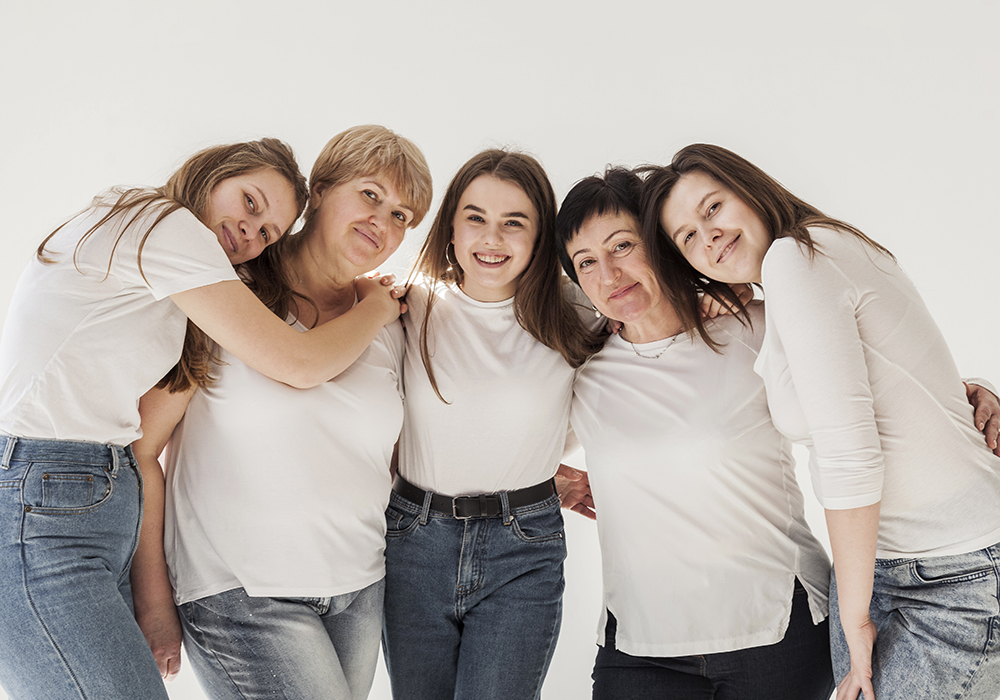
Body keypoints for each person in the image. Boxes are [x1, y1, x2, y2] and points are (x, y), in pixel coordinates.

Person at [0, 137, 404, 700]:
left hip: (98, 496)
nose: (249, 231)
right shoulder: (164, 226)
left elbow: (144, 444)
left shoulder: (185, 291)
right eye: (250, 202)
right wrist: (379, 306)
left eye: (266, 232)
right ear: (214, 171)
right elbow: (298, 361)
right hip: (42, 495)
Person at [650, 143, 1000, 700]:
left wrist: (856, 617)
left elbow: (850, 452)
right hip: (883, 565)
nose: (707, 236)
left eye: (712, 208)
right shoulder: (815, 255)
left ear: (750, 188)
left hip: (951, 572)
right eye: (687, 237)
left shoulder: (796, 257)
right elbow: (897, 367)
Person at [129, 125, 433, 700]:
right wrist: (154, 600)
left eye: (402, 215)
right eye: (370, 195)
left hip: (358, 590)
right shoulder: (225, 296)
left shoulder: (391, 323)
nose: (383, 221)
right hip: (238, 591)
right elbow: (142, 449)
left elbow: (400, 454)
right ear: (318, 190)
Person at [555, 167, 835, 699]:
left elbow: (873, 386)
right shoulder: (582, 372)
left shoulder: (756, 327)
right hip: (640, 648)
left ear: (661, 243)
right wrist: (551, 483)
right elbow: (486, 438)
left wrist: (977, 390)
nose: (609, 274)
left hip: (778, 635)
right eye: (587, 262)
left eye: (623, 246)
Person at [381, 149, 601, 700]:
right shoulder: (409, 306)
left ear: (540, 235)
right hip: (414, 538)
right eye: (476, 217)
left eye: (514, 223)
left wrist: (720, 299)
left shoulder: (577, 314)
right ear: (451, 227)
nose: (492, 238)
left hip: (522, 544)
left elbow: (653, 341)